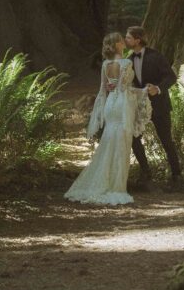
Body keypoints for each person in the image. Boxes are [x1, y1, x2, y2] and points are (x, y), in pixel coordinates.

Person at [65, 33, 151, 206]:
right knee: (122, 144)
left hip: (110, 104)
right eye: (121, 40)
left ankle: (103, 180)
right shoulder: (126, 63)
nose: (123, 42)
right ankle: (116, 186)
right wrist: (144, 91)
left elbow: (103, 89)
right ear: (117, 45)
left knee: (109, 141)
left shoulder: (105, 64)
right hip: (122, 105)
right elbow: (124, 89)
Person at [125, 26, 182, 189]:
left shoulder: (156, 56)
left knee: (166, 140)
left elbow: (171, 77)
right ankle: (146, 173)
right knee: (134, 139)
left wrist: (157, 89)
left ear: (138, 40)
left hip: (160, 106)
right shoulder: (128, 60)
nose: (126, 40)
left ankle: (176, 176)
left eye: (129, 38)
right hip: (140, 107)